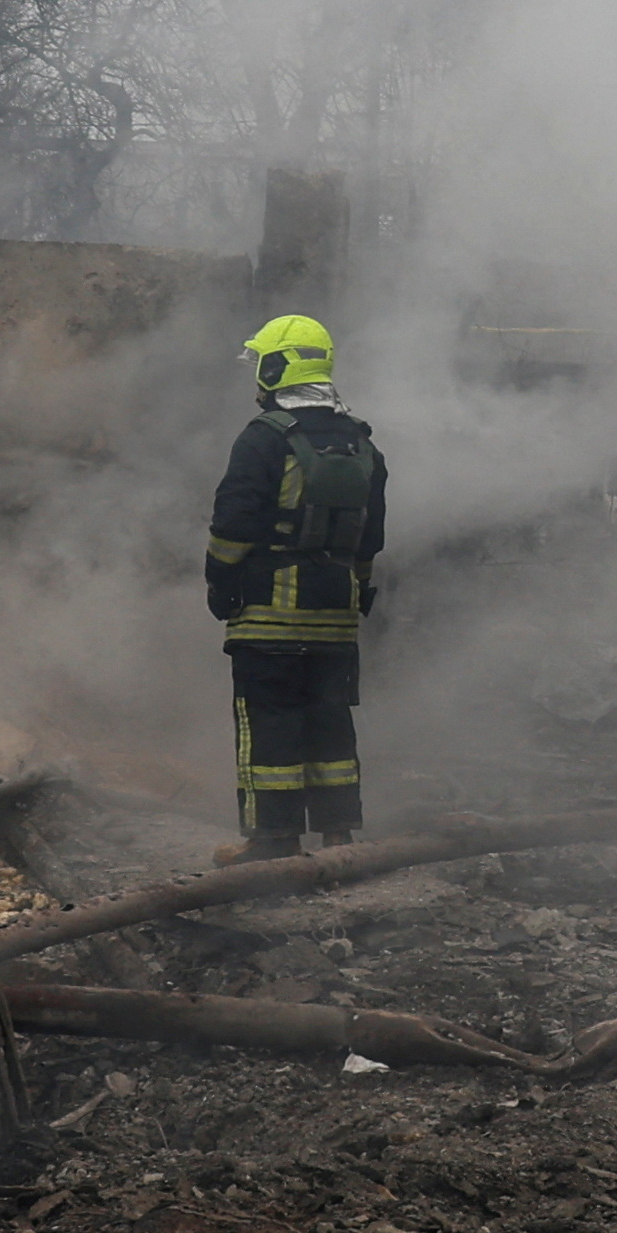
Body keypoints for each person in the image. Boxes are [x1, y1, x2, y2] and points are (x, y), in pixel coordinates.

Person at [206, 310, 386, 857]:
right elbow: (369, 538)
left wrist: (221, 583)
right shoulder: (363, 445)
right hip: (336, 620)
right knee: (330, 720)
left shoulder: (264, 439)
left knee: (271, 723)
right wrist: (356, 592)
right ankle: (338, 837)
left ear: (276, 368)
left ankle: (275, 841)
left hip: (268, 615)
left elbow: (232, 524)